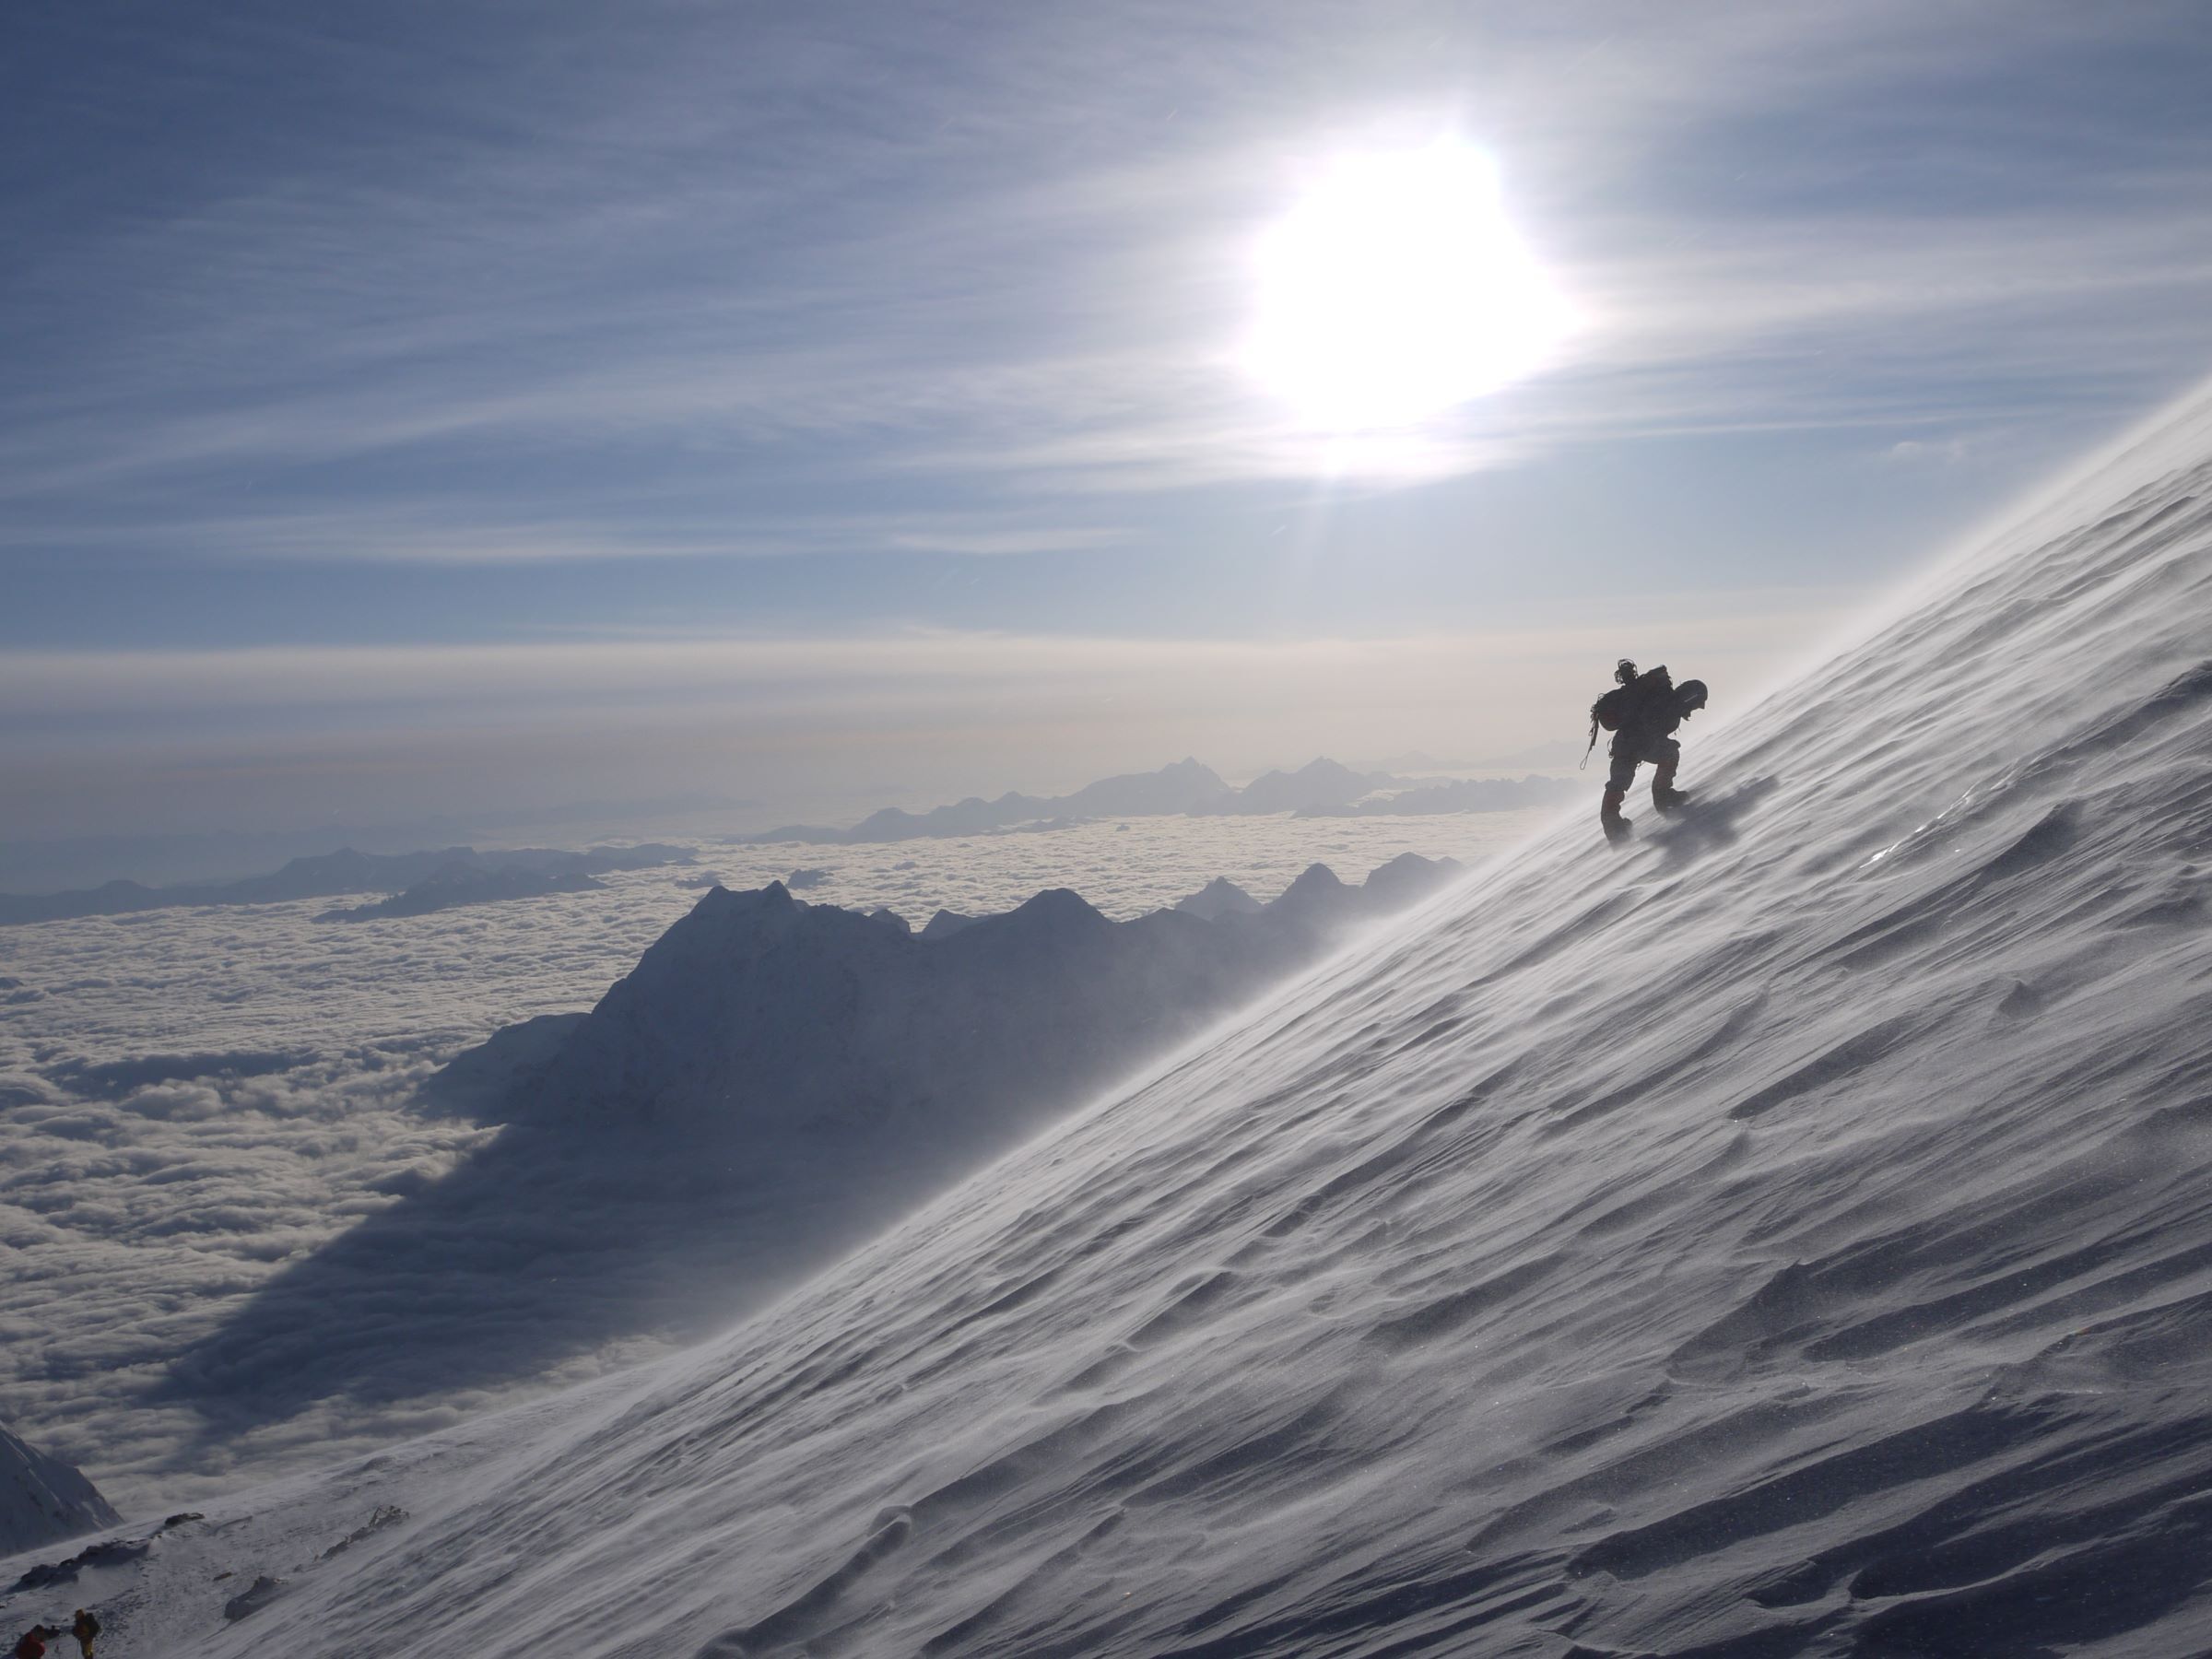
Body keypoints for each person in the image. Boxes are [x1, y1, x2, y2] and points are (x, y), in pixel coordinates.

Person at [1586, 659, 1708, 843]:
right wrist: (1652, 740)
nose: (1700, 707)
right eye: (1699, 702)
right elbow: (1649, 722)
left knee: (1619, 782)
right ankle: (1663, 796)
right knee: (1670, 753)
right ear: (1691, 697)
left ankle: (1611, 822)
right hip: (1637, 744)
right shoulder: (1669, 703)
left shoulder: (1664, 699)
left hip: (1625, 744)